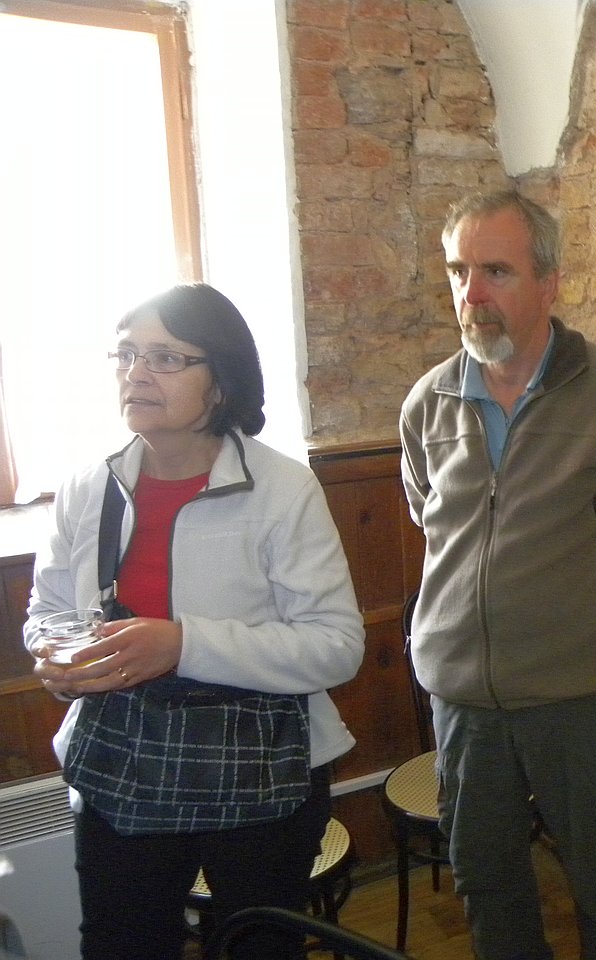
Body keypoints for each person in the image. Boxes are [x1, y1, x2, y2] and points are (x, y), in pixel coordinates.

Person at [399, 189, 596, 960]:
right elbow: (430, 517)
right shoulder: (428, 403)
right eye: (458, 271)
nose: (472, 293)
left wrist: (586, 607)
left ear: (549, 283)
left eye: (496, 271)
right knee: (487, 883)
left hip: (581, 696)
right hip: (464, 699)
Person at [24, 283, 365, 960]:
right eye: (126, 354)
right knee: (121, 945)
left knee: (258, 947)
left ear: (221, 382)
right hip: (121, 754)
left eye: (166, 358)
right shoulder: (88, 486)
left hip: (261, 763)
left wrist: (182, 645)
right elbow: (48, 611)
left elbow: (336, 646)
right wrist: (59, 657)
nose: (136, 373)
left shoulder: (282, 488)